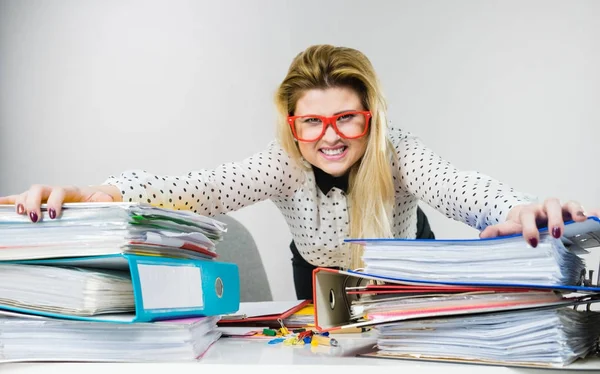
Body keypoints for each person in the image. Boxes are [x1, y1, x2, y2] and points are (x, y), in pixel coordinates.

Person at [1, 44, 598, 300]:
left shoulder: (398, 155)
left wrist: (517, 208)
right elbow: (194, 190)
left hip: (404, 270)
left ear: (371, 119)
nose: (330, 136)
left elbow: (466, 189)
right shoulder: (280, 165)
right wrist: (95, 192)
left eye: (347, 119)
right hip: (316, 277)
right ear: (292, 125)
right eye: (311, 122)